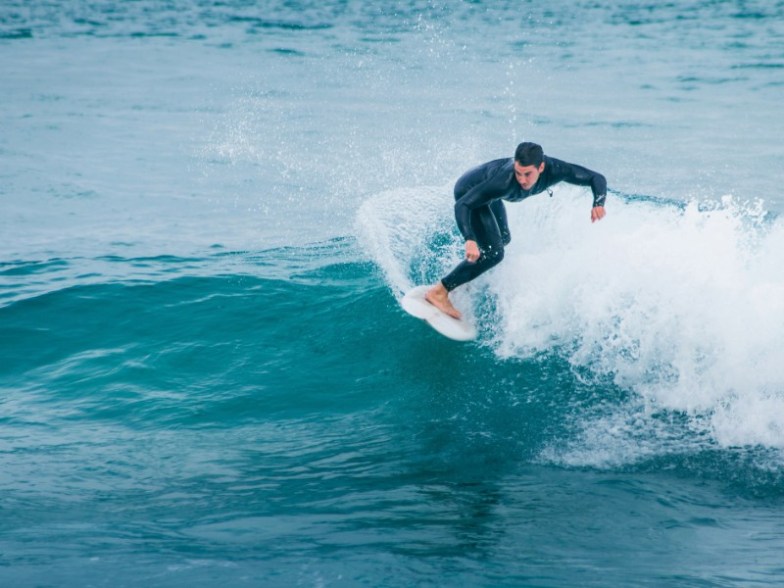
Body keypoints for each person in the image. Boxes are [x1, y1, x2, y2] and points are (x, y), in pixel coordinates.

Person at [426, 141, 607, 319]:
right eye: (518, 173)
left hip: (489, 195)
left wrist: (598, 203)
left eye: (527, 174)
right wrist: (469, 238)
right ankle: (440, 291)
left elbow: (596, 178)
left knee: (503, 239)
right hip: (469, 192)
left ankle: (463, 276)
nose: (521, 180)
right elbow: (463, 205)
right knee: (495, 253)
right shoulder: (504, 181)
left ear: (541, 167)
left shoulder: (556, 170)